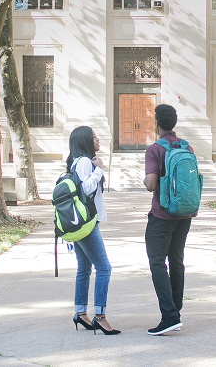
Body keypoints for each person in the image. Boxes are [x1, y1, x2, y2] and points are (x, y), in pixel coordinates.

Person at [142, 104, 198, 335]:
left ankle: (169, 316)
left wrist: (145, 179)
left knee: (157, 262)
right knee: (176, 261)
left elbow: (151, 184)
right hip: (185, 213)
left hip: (162, 214)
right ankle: (176, 311)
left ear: (157, 123)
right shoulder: (187, 147)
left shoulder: (155, 149)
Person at [67, 126, 120, 335]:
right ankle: (100, 316)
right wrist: (99, 170)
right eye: (94, 137)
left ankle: (80, 313)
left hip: (81, 222)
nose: (98, 140)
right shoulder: (83, 162)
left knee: (84, 268)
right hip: (86, 223)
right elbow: (85, 189)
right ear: (84, 141)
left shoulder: (79, 161)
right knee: (104, 268)